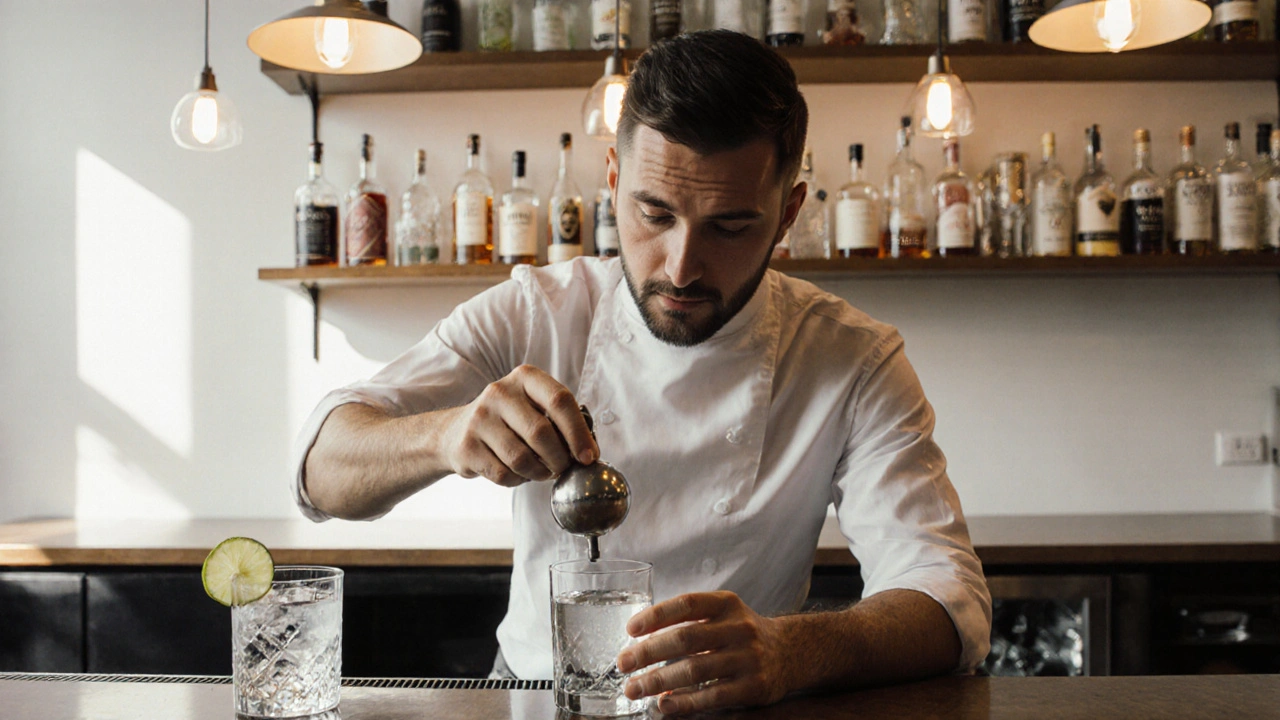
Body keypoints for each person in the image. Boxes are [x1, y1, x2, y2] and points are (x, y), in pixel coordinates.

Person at [294, 30, 991, 714]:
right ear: (614, 179)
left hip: (742, 706)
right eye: (654, 214)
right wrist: (446, 436)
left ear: (789, 214)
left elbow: (945, 598)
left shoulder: (853, 360)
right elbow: (323, 472)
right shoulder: (536, 312)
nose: (682, 266)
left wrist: (788, 651)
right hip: (535, 697)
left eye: (731, 226)